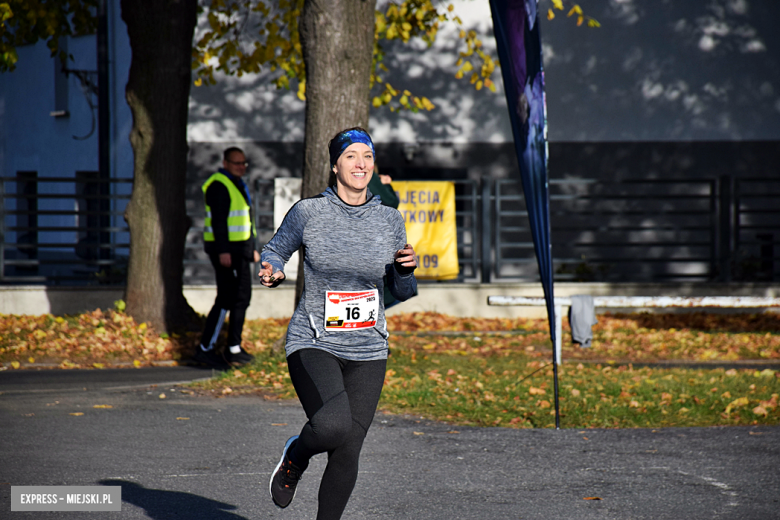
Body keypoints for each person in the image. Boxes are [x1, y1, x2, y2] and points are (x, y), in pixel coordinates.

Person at [259, 127, 417, 519]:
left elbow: (405, 288)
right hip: (314, 340)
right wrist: (273, 269)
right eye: (351, 156)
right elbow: (276, 250)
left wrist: (405, 270)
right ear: (335, 165)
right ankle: (296, 456)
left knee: (348, 448)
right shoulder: (309, 212)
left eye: (367, 156)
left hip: (369, 348)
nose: (360, 163)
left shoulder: (389, 220)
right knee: (331, 427)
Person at [193, 147, 259, 367]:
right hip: (226, 251)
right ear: (225, 163)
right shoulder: (220, 185)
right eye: (236, 163)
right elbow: (219, 221)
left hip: (240, 251)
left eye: (244, 163)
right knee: (226, 298)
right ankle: (205, 348)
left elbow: (245, 222)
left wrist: (252, 249)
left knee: (242, 297)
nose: (241, 167)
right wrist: (223, 251)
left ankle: (234, 347)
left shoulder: (237, 184)